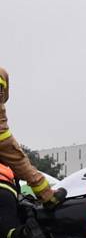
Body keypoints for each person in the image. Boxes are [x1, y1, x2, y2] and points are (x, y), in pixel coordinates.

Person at [0, 67, 65, 207]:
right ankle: (48, 197)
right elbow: (4, 98)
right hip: (2, 138)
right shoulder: (1, 73)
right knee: (21, 164)